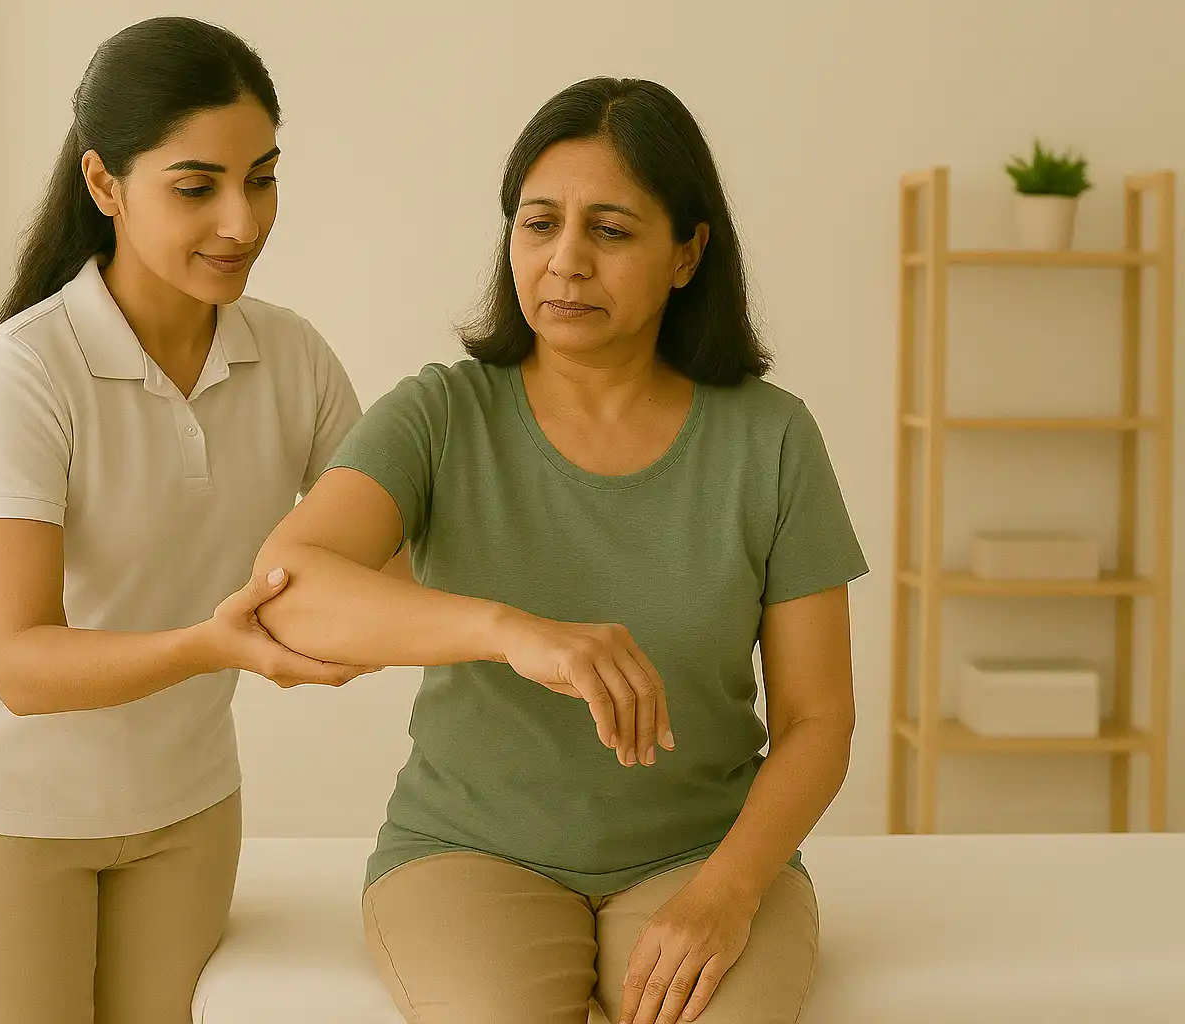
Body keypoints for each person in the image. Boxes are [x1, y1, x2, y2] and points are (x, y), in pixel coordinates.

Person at [253, 76, 868, 1024]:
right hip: (468, 853)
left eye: (611, 231)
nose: (566, 260)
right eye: (539, 224)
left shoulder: (773, 440)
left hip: (701, 855)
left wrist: (728, 892)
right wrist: (508, 630)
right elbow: (287, 590)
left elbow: (819, 718)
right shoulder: (440, 413)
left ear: (687, 253)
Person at [0, 16, 381, 1024]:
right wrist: (215, 645)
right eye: (196, 187)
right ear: (105, 184)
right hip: (5, 812)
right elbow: (23, 664)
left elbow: (383, 550)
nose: (242, 222)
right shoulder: (25, 370)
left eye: (264, 177)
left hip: (186, 813)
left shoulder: (291, 358)